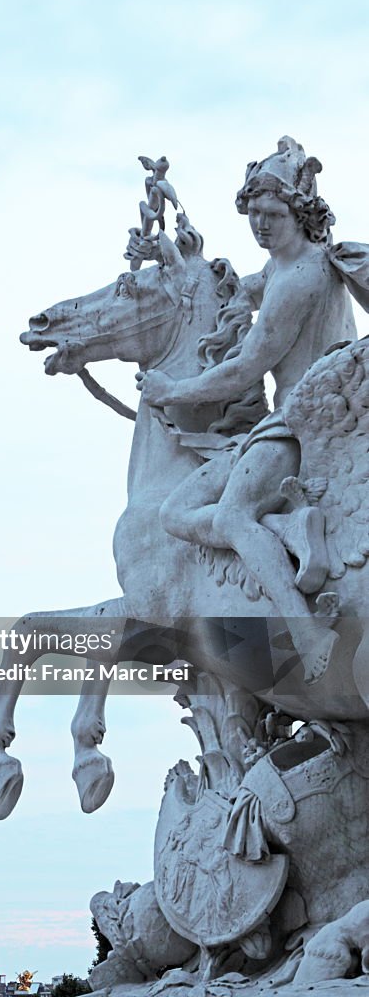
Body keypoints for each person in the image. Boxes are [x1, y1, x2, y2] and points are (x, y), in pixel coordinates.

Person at [135, 137, 357, 685]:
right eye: (254, 213)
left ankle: (307, 633)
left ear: (298, 215)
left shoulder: (303, 277)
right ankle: (286, 531)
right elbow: (256, 282)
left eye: (273, 215)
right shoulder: (287, 264)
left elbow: (247, 367)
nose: (260, 224)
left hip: (301, 424)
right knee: (172, 512)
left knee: (232, 515)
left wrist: (172, 390)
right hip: (297, 419)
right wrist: (220, 278)